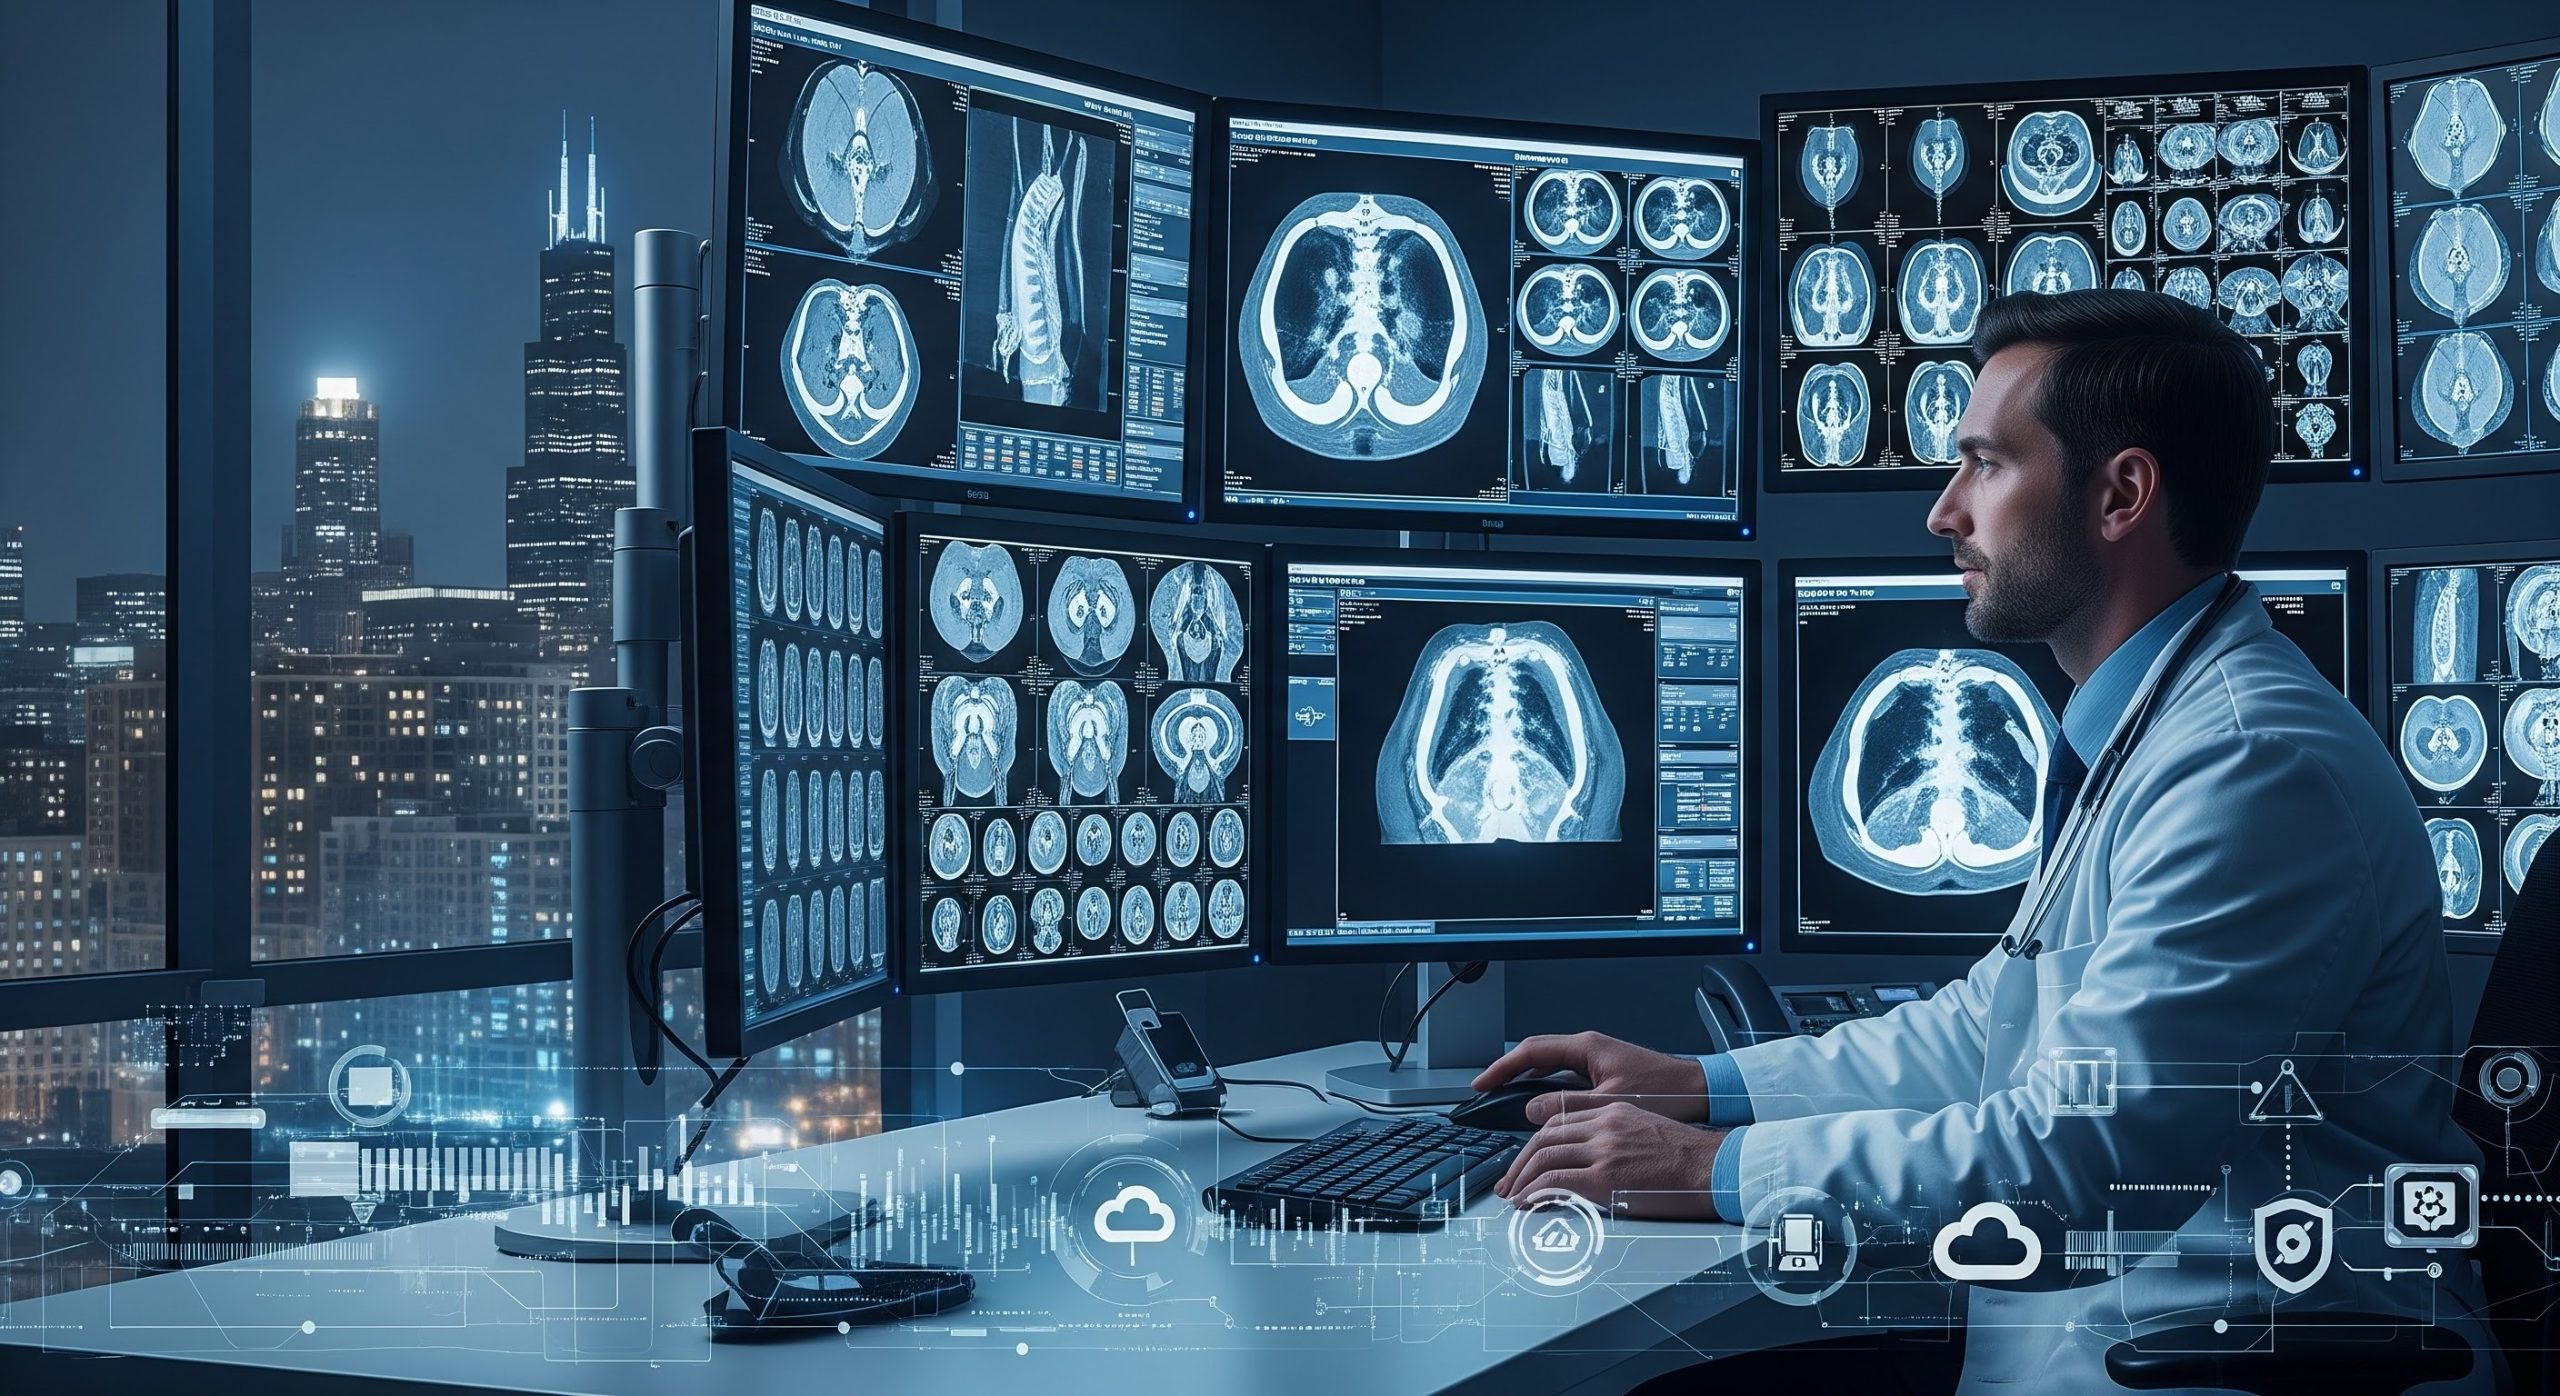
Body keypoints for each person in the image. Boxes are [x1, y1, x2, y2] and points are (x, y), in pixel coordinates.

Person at [1475, 289, 2494, 1392]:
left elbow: (2077, 1164)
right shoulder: (2155, 726)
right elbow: (1990, 1028)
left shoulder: (2252, 769)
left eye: (1984, 464)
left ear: (2121, 495)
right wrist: (1702, 1084)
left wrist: (1711, 1167)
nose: (1942, 512)